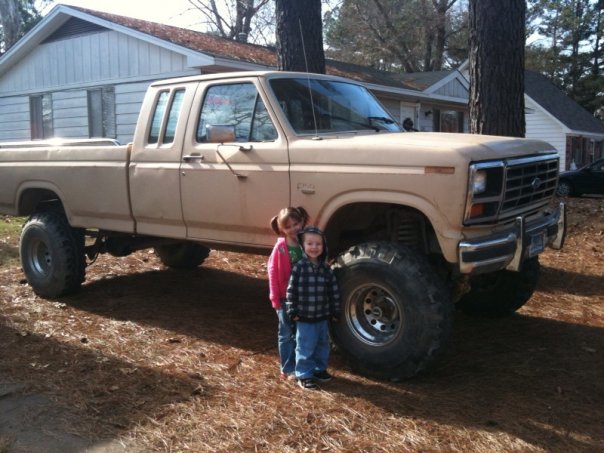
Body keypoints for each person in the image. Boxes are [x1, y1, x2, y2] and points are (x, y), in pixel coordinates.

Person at [286, 226, 341, 390]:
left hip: (322, 316)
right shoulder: (299, 268)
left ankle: (319, 369)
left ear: (323, 247)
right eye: (310, 243)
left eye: (318, 244)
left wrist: (335, 310)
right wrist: (292, 310)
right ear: (303, 246)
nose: (314, 247)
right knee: (305, 346)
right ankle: (304, 374)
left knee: (322, 344)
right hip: (304, 317)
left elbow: (333, 291)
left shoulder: (326, 269)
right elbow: (291, 291)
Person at [267, 206, 310, 380]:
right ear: (282, 229)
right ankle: (287, 367)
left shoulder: (306, 243)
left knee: (301, 333)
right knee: (286, 334)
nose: (294, 229)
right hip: (285, 298)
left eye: (296, 223)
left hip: (303, 297)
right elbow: (273, 273)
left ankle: (302, 365)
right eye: (289, 226)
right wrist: (275, 298)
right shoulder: (281, 248)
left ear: (302, 222)